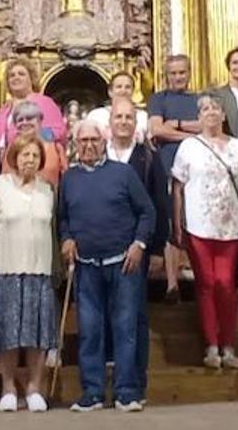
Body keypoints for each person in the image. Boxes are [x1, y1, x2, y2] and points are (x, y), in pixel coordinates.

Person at [59, 119, 155, 413]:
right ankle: (93, 392)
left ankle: (127, 391)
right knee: (90, 330)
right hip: (86, 266)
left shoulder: (123, 173)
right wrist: (66, 239)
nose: (88, 145)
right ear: (75, 145)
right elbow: (63, 218)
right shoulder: (69, 178)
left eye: (94, 140)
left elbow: (147, 212)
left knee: (125, 328)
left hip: (123, 263)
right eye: (83, 140)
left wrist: (139, 244)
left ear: (104, 142)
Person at [0, 135, 58, 413]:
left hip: (40, 271)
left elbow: (53, 230)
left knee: (38, 334)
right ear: (14, 156)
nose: (30, 160)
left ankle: (35, 388)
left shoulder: (47, 189)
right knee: (8, 333)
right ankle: (9, 388)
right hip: (7, 270)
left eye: (35, 156)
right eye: (25, 154)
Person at [171, 93, 238, 370]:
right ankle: (212, 344)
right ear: (199, 116)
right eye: (204, 109)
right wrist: (177, 222)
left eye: (215, 108)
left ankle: (229, 343)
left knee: (226, 284)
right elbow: (178, 187)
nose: (210, 113)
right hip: (198, 225)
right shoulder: (188, 147)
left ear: (224, 115)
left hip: (230, 225)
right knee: (206, 284)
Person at [105, 98, 168, 393]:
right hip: (101, 249)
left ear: (136, 122)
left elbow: (160, 203)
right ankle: (108, 372)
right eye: (118, 117)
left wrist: (156, 249)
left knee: (135, 315)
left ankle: (135, 378)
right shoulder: (97, 155)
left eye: (129, 117)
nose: (123, 122)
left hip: (137, 249)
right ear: (110, 122)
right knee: (104, 312)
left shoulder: (148, 157)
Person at [148, 54, 201, 301]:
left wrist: (177, 125)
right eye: (173, 73)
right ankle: (172, 285)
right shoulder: (159, 99)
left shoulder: (201, 98)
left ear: (189, 72)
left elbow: (209, 125)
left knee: (196, 222)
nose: (178, 77)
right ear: (166, 75)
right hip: (168, 166)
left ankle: (197, 275)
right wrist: (192, 134)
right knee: (172, 222)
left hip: (198, 168)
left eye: (182, 72)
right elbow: (157, 129)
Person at [0, 57, 67, 150]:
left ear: (31, 79)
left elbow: (59, 132)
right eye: (12, 75)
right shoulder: (4, 109)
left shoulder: (45, 102)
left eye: (21, 74)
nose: (16, 77)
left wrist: (31, 137)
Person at [0, 99, 67, 187]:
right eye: (20, 120)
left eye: (29, 118)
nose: (24, 122)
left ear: (40, 121)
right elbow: (4, 181)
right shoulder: (11, 149)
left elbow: (65, 178)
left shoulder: (56, 148)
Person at [84, 71, 150, 143]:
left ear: (133, 91)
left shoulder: (143, 117)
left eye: (127, 87)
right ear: (110, 92)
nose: (123, 91)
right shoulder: (97, 115)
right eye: (119, 87)